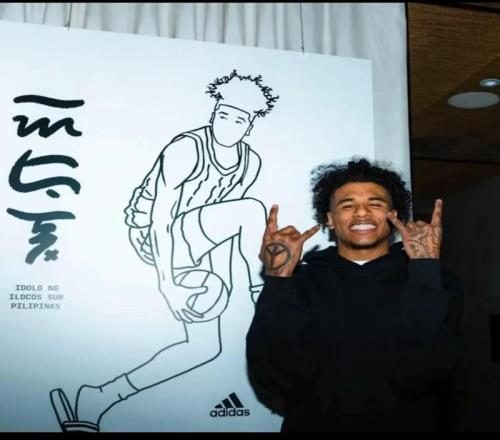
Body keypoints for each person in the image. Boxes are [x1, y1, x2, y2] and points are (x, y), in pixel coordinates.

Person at [50, 70, 279, 432]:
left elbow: (226, 229)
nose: (227, 124)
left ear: (249, 126)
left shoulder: (250, 162)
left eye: (238, 120)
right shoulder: (186, 148)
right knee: (252, 210)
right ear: (213, 113)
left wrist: (219, 282)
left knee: (203, 348)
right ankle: (262, 290)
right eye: (222, 114)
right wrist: (169, 283)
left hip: (197, 243)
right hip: (156, 236)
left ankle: (98, 398)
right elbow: (162, 218)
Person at [246, 158, 463, 432]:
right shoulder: (297, 283)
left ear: (393, 215)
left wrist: (425, 269)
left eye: (375, 204)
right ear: (330, 219)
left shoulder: (431, 279)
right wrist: (278, 280)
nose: (362, 212)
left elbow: (425, 372)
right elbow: (282, 379)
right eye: (347, 205)